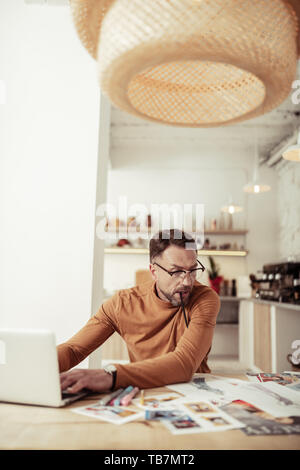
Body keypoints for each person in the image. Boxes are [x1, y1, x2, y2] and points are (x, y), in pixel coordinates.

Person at [59, 229, 220, 394]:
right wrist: (39, 367)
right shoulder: (122, 303)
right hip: (145, 393)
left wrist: (110, 376)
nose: (187, 281)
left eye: (192, 270)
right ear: (153, 271)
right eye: (177, 271)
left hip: (196, 394)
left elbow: (184, 363)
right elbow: (74, 350)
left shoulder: (205, 299)